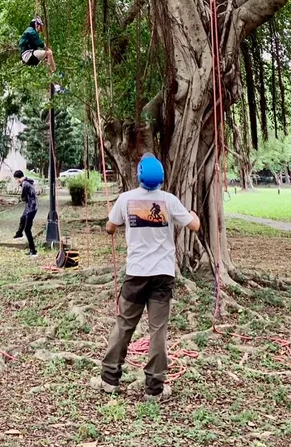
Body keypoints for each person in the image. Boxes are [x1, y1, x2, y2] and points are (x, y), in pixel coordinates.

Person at [96, 154, 200, 402]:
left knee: (124, 325)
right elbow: (194, 225)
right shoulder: (169, 201)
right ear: (162, 178)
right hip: (162, 276)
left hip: (136, 275)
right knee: (158, 331)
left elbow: (111, 226)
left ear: (139, 175)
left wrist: (115, 226)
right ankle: (154, 388)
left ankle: (110, 379)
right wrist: (193, 214)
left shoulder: (125, 199)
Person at [13, 169, 38, 256]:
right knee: (22, 218)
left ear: (18, 178)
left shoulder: (25, 184)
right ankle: (19, 233)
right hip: (31, 206)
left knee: (27, 229)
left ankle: (33, 251)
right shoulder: (27, 181)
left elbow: (23, 197)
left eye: (16, 179)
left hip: (31, 208)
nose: (16, 181)